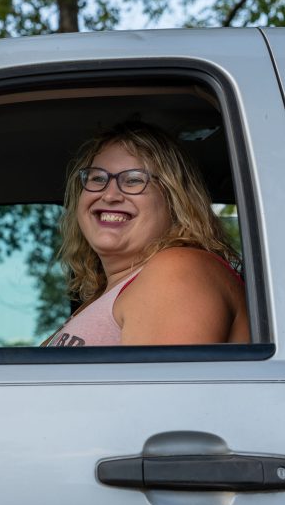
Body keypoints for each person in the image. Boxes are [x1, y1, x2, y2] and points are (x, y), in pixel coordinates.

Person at [46, 121, 249, 346]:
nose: (110, 195)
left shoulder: (178, 270)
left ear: (174, 200)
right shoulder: (107, 293)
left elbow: (164, 382)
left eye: (133, 180)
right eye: (98, 179)